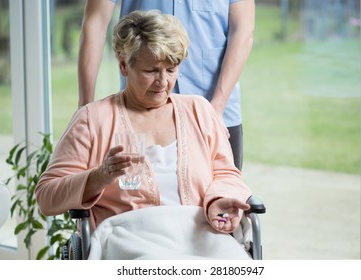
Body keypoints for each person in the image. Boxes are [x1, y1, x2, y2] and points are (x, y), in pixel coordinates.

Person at [36, 10, 252, 238]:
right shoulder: (92, 119)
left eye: (171, 70)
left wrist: (218, 199)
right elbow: (47, 198)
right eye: (151, 71)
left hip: (198, 237)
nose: (163, 82)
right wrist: (99, 177)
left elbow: (226, 174)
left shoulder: (199, 111)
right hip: (130, 241)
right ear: (123, 66)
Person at [78, 0, 255, 170]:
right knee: (134, 194)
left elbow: (243, 30)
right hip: (139, 112)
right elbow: (95, 22)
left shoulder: (214, 114)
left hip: (218, 110)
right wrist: (85, 109)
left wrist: (217, 109)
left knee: (223, 191)